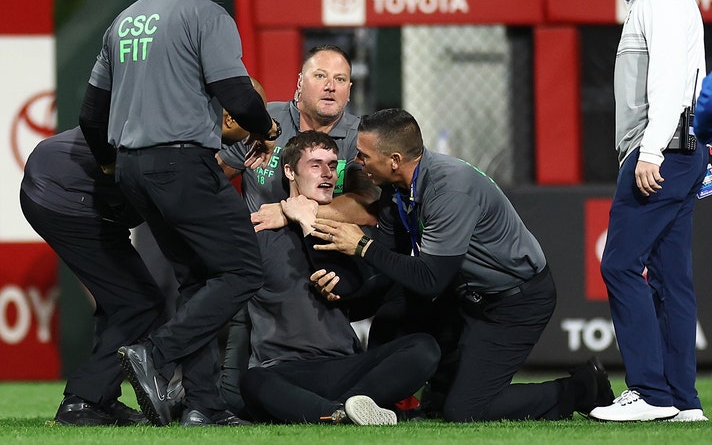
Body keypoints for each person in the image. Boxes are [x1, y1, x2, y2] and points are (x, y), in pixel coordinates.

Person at [78, 0, 281, 427]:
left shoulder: (122, 21)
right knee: (243, 271)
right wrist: (267, 127)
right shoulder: (205, 15)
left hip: (133, 168)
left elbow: (89, 115)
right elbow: (236, 96)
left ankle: (201, 407)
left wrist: (114, 165)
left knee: (196, 279)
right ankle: (154, 354)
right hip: (183, 163)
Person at [310, 108, 615, 422]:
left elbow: (430, 279)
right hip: (465, 294)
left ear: (395, 160)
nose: (358, 162)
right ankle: (395, 405)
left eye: (364, 156)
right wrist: (341, 288)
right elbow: (387, 260)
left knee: (466, 411)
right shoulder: (398, 190)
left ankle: (582, 389)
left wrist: (362, 244)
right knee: (393, 317)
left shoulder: (448, 190)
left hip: (513, 302)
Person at [574, 0, 708, 422]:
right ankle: (682, 399)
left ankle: (651, 393)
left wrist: (652, 150)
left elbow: (673, 78)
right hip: (681, 147)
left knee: (621, 264)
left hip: (664, 150)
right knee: (671, 278)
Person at [216, 44, 379, 417]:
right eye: (320, 76)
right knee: (233, 402)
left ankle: (382, 394)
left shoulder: (361, 137)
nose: (330, 87)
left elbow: (368, 208)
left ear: (350, 90)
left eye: (340, 80)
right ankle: (184, 390)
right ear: (299, 83)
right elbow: (212, 178)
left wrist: (291, 214)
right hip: (259, 270)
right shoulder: (263, 120)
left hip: (330, 267)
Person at [239, 130, 439, 425]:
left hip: (346, 365)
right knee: (253, 382)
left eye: (333, 166)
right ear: (289, 172)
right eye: (316, 165)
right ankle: (346, 412)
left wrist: (309, 221)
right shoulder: (258, 233)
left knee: (424, 348)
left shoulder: (347, 235)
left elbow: (343, 284)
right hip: (286, 369)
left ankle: (340, 411)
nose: (328, 174)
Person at [19, 127, 165, 426]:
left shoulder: (164, 110)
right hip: (66, 192)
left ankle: (100, 398)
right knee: (139, 303)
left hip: (65, 184)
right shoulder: (184, 130)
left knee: (122, 303)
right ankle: (82, 401)